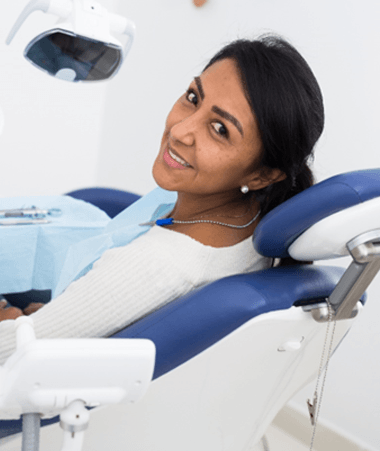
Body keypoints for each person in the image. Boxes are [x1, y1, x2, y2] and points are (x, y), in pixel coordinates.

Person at [0, 34, 324, 364]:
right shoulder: (250, 226)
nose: (180, 130)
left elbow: (16, 353)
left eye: (220, 129)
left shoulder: (155, 267)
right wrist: (69, 315)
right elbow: (113, 310)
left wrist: (18, 323)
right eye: (193, 97)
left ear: (263, 175)